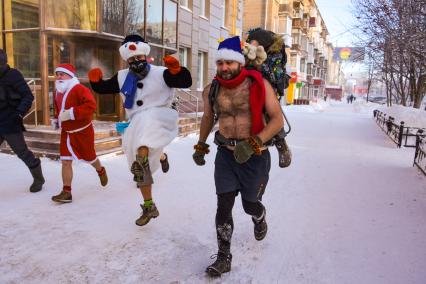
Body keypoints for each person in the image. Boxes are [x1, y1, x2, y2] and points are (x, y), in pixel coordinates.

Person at [192, 36, 283, 277]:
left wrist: (255, 142)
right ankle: (224, 257)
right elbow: (208, 118)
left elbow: (276, 120)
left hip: (255, 155)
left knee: (249, 204)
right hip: (226, 155)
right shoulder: (212, 90)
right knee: (224, 205)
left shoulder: (259, 84)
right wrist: (200, 146)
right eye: (220, 63)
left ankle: (259, 215)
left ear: (240, 63)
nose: (224, 68)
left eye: (229, 63)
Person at [88, 34, 192, 226]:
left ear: (145, 55)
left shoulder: (161, 73)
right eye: (132, 60)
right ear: (127, 59)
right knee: (139, 162)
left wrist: (178, 71)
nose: (136, 62)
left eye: (139, 58)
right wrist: (96, 82)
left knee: (144, 145)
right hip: (137, 122)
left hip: (160, 116)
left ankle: (153, 157)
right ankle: (149, 204)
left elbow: (185, 81)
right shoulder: (122, 76)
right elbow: (105, 88)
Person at [51, 64, 108, 203]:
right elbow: (58, 109)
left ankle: (100, 170)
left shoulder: (80, 89)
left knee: (90, 158)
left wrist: (71, 113)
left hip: (83, 131)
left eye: (62, 74)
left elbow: (91, 106)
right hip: (67, 132)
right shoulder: (56, 91)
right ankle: (66, 192)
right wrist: (57, 119)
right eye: (57, 74)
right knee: (65, 162)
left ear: (70, 75)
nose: (59, 76)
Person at [246, 28, 292, 168]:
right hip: (251, 82)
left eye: (255, 44)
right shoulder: (249, 46)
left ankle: (281, 143)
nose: (251, 46)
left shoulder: (276, 53)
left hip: (271, 85)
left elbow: (275, 75)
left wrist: (258, 65)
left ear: (263, 44)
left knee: (270, 112)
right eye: (250, 43)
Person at [0, 49, 45, 192]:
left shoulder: (13, 75)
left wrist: (19, 114)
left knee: (22, 152)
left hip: (10, 121)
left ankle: (39, 178)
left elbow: (28, 96)